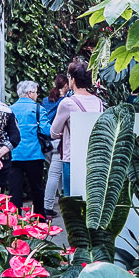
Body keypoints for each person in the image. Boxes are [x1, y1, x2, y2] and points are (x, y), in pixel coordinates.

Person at [45, 58, 104, 218]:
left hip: (72, 159)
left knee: (73, 204)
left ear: (72, 80)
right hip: (93, 157)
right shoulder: (98, 102)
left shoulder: (67, 103)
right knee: (91, 201)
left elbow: (53, 132)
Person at [9, 81, 52, 216]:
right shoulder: (38, 109)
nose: (36, 95)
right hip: (34, 154)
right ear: (30, 93)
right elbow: (46, 131)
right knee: (37, 189)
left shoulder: (10, 109)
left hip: (14, 154)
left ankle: (14, 220)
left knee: (15, 189)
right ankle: (40, 218)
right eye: (36, 92)